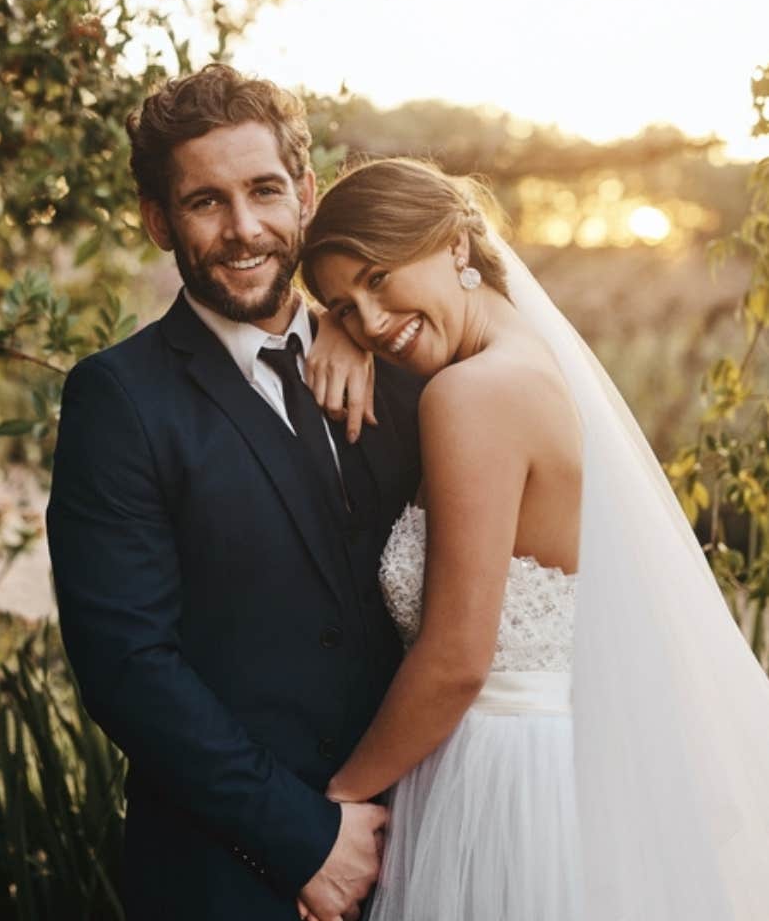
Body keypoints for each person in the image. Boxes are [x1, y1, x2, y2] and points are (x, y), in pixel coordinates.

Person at [299, 156, 769, 921]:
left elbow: (456, 660)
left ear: (456, 245)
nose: (371, 322)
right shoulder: (526, 364)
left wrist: (335, 811)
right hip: (560, 767)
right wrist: (332, 323)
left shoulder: (470, 396)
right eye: (344, 305)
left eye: (380, 278)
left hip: (495, 781)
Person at [45, 67, 423, 921]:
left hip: (428, 851)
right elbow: (128, 667)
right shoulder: (118, 399)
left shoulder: (399, 366)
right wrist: (304, 842)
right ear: (158, 220)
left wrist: (349, 322)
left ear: (306, 194)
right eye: (206, 202)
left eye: (264, 191)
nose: (244, 229)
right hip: (228, 878)